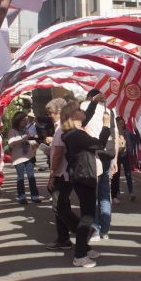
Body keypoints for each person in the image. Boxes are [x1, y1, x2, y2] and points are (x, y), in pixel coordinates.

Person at [61, 101, 111, 268]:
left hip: (81, 176)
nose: (84, 112)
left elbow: (86, 116)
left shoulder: (70, 133)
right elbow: (99, 144)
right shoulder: (76, 135)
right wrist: (106, 125)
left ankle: (85, 248)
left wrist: (95, 101)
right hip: (84, 177)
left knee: (87, 215)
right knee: (87, 216)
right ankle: (80, 255)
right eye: (80, 110)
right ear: (74, 114)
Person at [45, 97, 99, 251]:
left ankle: (80, 236)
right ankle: (67, 238)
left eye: (50, 113)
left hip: (65, 173)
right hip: (71, 173)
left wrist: (52, 174)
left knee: (60, 207)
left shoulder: (62, 129)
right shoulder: (66, 129)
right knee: (62, 206)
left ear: (60, 112)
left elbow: (58, 154)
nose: (49, 116)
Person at [81, 89, 116, 241]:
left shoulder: (84, 105)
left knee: (92, 194)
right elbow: (114, 134)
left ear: (90, 97)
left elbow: (81, 124)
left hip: (93, 152)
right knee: (104, 194)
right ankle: (105, 230)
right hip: (108, 154)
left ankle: (94, 228)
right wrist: (115, 160)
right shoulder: (110, 110)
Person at [7, 111, 40, 204]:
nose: (25, 122)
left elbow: (27, 142)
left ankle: (35, 196)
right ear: (17, 120)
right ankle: (22, 197)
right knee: (20, 177)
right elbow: (11, 144)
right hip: (19, 158)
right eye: (23, 120)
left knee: (31, 177)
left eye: (26, 120)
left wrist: (34, 144)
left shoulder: (25, 129)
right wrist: (23, 139)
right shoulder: (12, 131)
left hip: (28, 156)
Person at [111, 116, 136, 203]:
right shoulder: (114, 132)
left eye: (123, 123)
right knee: (116, 175)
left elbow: (134, 139)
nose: (122, 125)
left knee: (128, 174)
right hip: (117, 156)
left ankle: (131, 193)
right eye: (120, 123)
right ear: (116, 123)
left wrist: (131, 152)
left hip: (125, 155)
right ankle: (117, 193)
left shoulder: (127, 131)